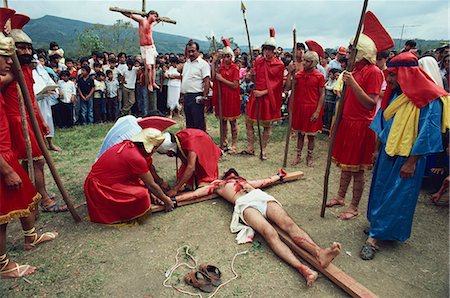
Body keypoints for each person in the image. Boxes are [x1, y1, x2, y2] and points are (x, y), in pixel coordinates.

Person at [173, 168, 341, 287]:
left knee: (289, 224)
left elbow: (265, 181)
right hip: (245, 205)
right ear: (226, 176)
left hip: (260, 197)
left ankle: (320, 253)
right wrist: (174, 199)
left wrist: (278, 176)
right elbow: (196, 194)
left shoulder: (245, 182)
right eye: (230, 173)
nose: (232, 174)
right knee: (270, 233)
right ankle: (304, 270)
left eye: (234, 173)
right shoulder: (218, 184)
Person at [360, 52, 450, 260]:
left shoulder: (430, 100)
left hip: (409, 158)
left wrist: (412, 162)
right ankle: (379, 225)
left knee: (397, 196)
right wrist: (376, 150)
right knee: (380, 190)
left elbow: (428, 133)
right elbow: (384, 123)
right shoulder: (399, 96)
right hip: (387, 152)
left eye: (392, 75)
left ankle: (374, 239)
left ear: (406, 74)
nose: (388, 79)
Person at [0, 9, 58, 278]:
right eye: (6, 56)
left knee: (23, 191)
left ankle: (30, 236)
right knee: (4, 209)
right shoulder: (9, 75)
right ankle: (3, 264)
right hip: (8, 141)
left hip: (15, 135)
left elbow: (30, 100)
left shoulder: (23, 67)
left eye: (25, 47)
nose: (11, 60)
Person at [326, 11, 393, 220]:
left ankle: (354, 206)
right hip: (347, 124)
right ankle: (340, 196)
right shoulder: (353, 70)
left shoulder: (372, 71)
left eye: (353, 49)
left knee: (357, 170)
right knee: (345, 165)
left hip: (362, 127)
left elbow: (371, 103)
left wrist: (352, 84)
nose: (349, 53)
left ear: (362, 52)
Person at [3, 13, 67, 212]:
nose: (26, 50)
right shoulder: (8, 68)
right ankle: (44, 199)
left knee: (37, 161)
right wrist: (11, 75)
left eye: (28, 47)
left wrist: (40, 120)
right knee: (37, 162)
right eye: (21, 47)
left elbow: (30, 98)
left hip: (31, 118)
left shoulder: (28, 69)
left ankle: (38, 191)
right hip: (16, 120)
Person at [85, 117, 176, 224]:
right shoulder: (136, 157)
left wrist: (157, 191)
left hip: (109, 181)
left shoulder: (134, 147)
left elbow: (149, 172)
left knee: (143, 186)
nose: (155, 151)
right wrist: (166, 200)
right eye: (155, 148)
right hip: (100, 187)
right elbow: (151, 184)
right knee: (142, 194)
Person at [241, 28, 284, 160]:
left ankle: (263, 149)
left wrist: (263, 92)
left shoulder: (279, 65)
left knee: (266, 125)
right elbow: (253, 78)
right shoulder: (258, 61)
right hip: (256, 95)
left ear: (274, 50)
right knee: (248, 123)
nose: (267, 52)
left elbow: (277, 85)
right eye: (266, 49)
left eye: (270, 49)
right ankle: (250, 147)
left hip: (267, 98)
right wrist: (250, 76)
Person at [285, 40, 325, 167]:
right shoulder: (298, 75)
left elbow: (322, 94)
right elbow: (288, 87)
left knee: (311, 136)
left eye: (307, 61)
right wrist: (290, 74)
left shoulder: (319, 76)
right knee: (300, 134)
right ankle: (298, 156)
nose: (304, 63)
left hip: (312, 107)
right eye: (304, 60)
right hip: (300, 107)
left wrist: (318, 111)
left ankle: (310, 157)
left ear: (313, 63)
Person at [157, 128, 222, 196]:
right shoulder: (177, 141)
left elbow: (191, 167)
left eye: (168, 153)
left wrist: (175, 189)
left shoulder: (191, 142)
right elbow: (184, 157)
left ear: (171, 150)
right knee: (183, 181)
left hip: (205, 147)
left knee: (203, 183)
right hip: (195, 144)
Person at [211, 38, 241, 153]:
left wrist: (221, 79)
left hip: (231, 98)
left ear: (231, 57)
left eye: (228, 56)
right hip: (222, 97)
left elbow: (234, 85)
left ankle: (234, 143)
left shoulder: (235, 68)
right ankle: (224, 141)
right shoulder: (220, 67)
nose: (226, 59)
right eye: (224, 56)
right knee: (222, 121)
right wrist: (214, 62)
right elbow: (214, 77)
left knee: (233, 122)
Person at [121, 10, 159, 91]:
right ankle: (149, 84)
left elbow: (158, 21)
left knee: (153, 66)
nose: (155, 18)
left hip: (151, 46)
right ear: (150, 15)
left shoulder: (152, 24)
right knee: (148, 67)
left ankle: (152, 82)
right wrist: (121, 11)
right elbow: (131, 15)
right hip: (144, 47)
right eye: (155, 16)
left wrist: (159, 20)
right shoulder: (142, 21)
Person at [31, 54, 61, 151]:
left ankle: (50, 143)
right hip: (34, 103)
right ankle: (40, 145)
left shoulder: (42, 71)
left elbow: (50, 82)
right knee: (36, 123)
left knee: (48, 121)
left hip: (45, 102)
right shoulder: (27, 73)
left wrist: (53, 89)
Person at [180, 41, 211, 131]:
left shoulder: (203, 64)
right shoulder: (186, 64)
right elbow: (184, 79)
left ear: (198, 51)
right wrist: (182, 95)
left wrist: (204, 97)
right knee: (189, 122)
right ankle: (191, 142)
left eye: (193, 51)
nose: (191, 53)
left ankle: (201, 142)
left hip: (197, 96)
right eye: (189, 51)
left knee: (198, 122)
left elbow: (207, 81)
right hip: (187, 96)